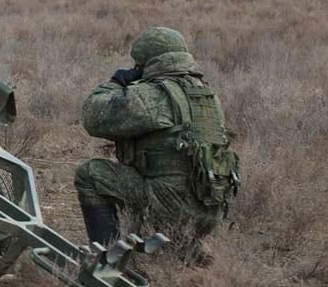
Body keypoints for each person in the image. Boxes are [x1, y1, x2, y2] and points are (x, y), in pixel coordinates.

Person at [75, 27, 240, 257]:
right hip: (211, 208)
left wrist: (116, 83)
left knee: (90, 175)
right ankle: (185, 248)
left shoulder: (154, 95)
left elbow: (93, 117)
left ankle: (107, 260)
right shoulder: (207, 95)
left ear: (146, 62)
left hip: (171, 205)